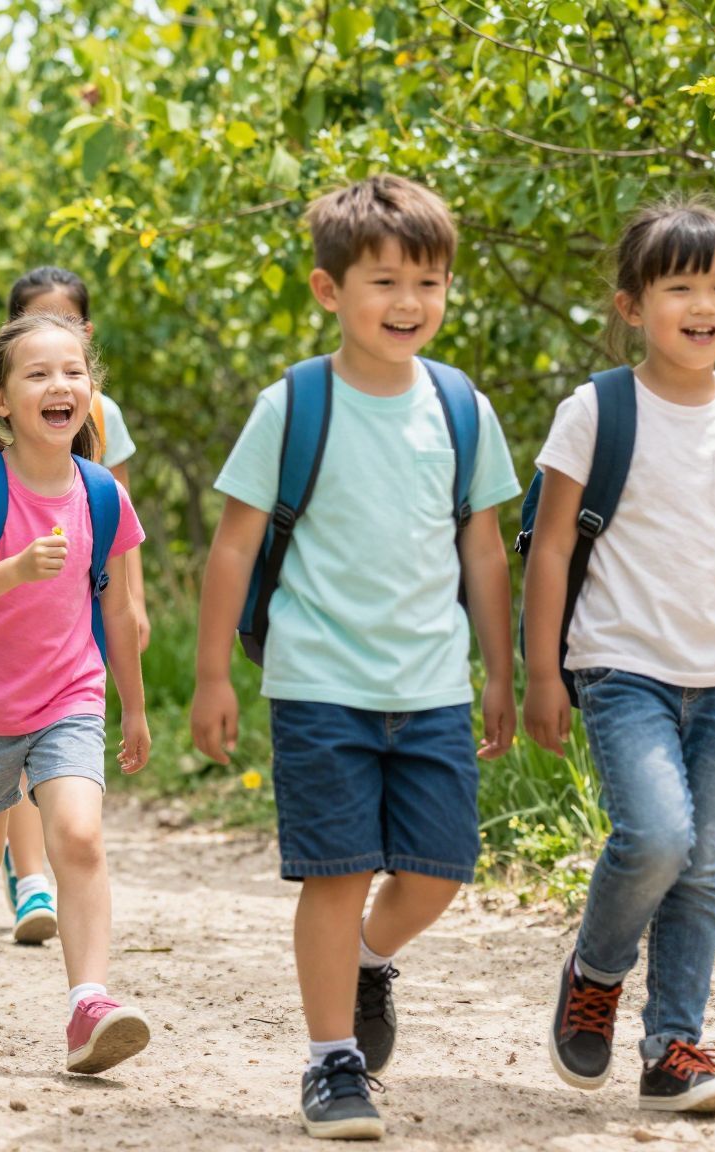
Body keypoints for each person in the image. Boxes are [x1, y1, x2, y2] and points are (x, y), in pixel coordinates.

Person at [189, 175, 520, 1140]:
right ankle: (332, 1062)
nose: (410, 302)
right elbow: (235, 546)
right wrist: (213, 676)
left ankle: (371, 960)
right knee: (336, 870)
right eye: (385, 280)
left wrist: (502, 671)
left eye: (430, 280)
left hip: (429, 685)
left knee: (440, 870)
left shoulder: (460, 407)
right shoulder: (293, 403)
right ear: (330, 290)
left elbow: (484, 550)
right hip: (318, 681)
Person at [524, 197, 715, 1114]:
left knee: (703, 865)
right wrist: (542, 672)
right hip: (620, 667)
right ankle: (596, 969)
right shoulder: (597, 410)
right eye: (681, 287)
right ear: (632, 306)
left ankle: (675, 1049)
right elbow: (548, 547)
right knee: (656, 837)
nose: (706, 304)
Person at [0, 311, 152, 1075]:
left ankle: (90, 1003)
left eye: (75, 372)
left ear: (92, 392)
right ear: (0, 401)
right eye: (39, 374)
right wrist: (15, 568)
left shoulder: (102, 495)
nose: (61, 385)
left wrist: (137, 706)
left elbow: (116, 609)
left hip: (70, 698)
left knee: (79, 838)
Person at [0, 266, 148, 945]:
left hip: (84, 589)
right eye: (34, 320)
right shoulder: (7, 413)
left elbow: (120, 512)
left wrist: (132, 599)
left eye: (67, 321)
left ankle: (56, 869)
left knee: (62, 721)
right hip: (14, 599)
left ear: (88, 334)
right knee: (16, 730)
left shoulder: (101, 413)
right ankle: (30, 878)